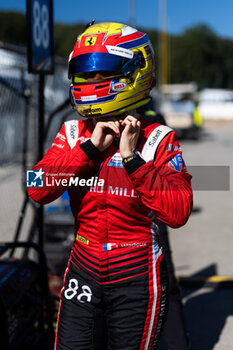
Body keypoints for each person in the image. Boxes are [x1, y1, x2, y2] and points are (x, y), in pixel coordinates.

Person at [28, 21, 193, 350]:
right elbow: (37, 188)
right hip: (83, 269)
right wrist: (89, 150)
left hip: (137, 275)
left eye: (99, 72)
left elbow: (178, 212)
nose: (89, 81)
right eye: (83, 73)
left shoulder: (158, 137)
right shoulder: (74, 133)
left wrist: (132, 159)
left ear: (134, 72)